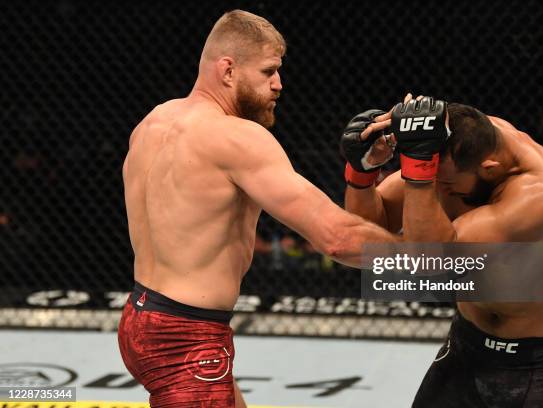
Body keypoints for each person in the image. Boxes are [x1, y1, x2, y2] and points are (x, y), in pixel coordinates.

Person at [117, 10, 399, 408]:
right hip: (187, 337)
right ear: (228, 70)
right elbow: (337, 239)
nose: (279, 84)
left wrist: (361, 172)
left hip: (141, 315)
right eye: (268, 71)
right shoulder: (237, 137)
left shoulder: (152, 123)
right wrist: (448, 266)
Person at [340, 93, 543, 407]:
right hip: (468, 348)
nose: (438, 188)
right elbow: (369, 227)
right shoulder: (456, 150)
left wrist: (419, 175)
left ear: (489, 169)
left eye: (446, 185)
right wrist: (362, 173)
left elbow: (429, 261)